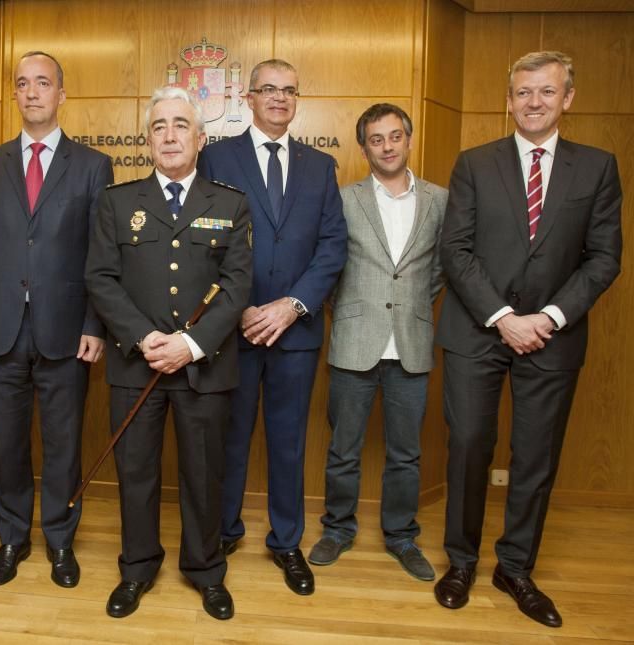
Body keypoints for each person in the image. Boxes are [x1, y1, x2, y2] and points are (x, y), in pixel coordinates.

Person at [434, 51, 622, 628]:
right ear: (508, 99)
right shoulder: (474, 162)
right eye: (522, 93)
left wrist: (549, 317)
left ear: (567, 98)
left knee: (536, 457)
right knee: (468, 446)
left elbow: (604, 257)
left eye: (546, 92)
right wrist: (502, 316)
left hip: (553, 336)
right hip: (477, 330)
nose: (533, 102)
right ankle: (462, 561)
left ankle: (515, 567)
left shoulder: (596, 167)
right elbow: (455, 250)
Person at [85, 86, 252, 620]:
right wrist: (144, 338)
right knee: (136, 474)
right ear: (149, 140)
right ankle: (136, 569)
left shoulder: (230, 204)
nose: (170, 135)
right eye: (159, 126)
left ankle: (205, 570)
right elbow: (102, 279)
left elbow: (237, 285)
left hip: (205, 366)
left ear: (200, 139)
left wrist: (191, 344)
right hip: (138, 363)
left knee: (205, 474)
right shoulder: (117, 202)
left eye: (181, 125)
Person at [0, 51, 112, 588]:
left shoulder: (91, 165)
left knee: (64, 443)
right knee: (7, 443)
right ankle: (12, 538)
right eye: (23, 84)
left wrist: (95, 324)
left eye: (43, 83)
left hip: (66, 332)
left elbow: (100, 255)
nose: (32, 92)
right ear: (15, 95)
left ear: (62, 94)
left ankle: (61, 542)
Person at [197, 58, 347, 595]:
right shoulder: (214, 157)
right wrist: (234, 307)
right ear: (249, 97)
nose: (279, 98)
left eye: (288, 90)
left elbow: (333, 247)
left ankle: (286, 543)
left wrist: (293, 306)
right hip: (230, 330)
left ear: (296, 99)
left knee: (287, 442)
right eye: (269, 89)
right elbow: (201, 241)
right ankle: (223, 531)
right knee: (228, 440)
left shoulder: (319, 166)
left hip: (295, 332)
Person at [308, 104, 446, 582]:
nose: (387, 146)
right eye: (376, 139)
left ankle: (402, 537)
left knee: (406, 453)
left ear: (408, 140)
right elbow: (326, 266)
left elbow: (441, 270)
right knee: (343, 449)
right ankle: (337, 530)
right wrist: (349, 308)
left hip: (411, 342)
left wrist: (405, 305)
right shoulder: (343, 200)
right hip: (354, 341)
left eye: (394, 137)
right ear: (363, 147)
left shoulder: (438, 200)